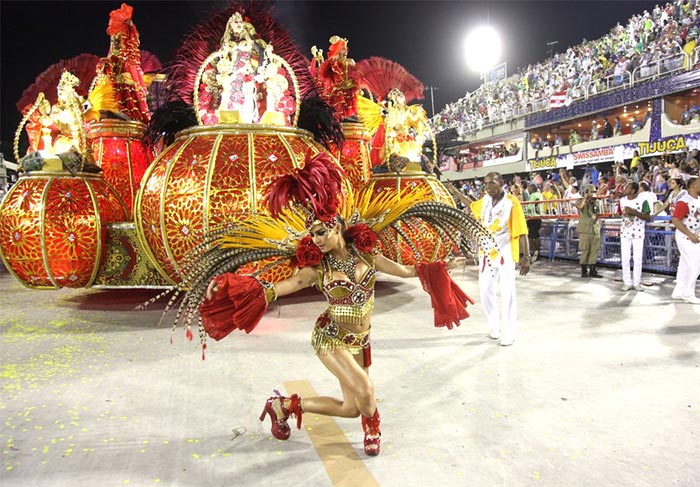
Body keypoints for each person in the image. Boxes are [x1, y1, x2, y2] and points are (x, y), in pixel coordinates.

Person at [169, 152, 495, 458]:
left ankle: (282, 406)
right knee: (367, 390)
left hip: (361, 341)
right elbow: (280, 288)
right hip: (331, 337)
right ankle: (373, 427)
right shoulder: (315, 269)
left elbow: (409, 271)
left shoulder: (368, 255)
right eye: (313, 236)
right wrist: (235, 288)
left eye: (322, 231)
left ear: (336, 226)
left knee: (351, 407)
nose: (318, 240)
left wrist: (438, 266)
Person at [471, 172, 530, 346]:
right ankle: (494, 326)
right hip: (486, 253)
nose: (487, 187)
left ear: (502, 183)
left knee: (507, 292)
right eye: (485, 183)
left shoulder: (512, 202)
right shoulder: (485, 201)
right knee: (485, 290)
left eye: (491, 183)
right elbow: (472, 205)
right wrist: (454, 191)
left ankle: (509, 332)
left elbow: (522, 231)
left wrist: (526, 256)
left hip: (505, 253)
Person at [670, 176, 700, 304]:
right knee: (695, 264)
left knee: (684, 265)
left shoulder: (698, 200)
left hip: (694, 235)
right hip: (685, 236)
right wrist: (690, 234)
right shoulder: (684, 201)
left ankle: (679, 291)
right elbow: (676, 220)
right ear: (693, 186)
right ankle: (688, 293)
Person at [618, 181, 652, 291]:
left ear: (633, 190)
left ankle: (637, 282)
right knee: (625, 258)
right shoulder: (622, 201)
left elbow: (648, 217)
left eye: (627, 187)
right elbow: (619, 213)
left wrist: (634, 212)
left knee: (637, 258)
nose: (624, 188)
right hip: (625, 232)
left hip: (638, 233)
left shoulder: (643, 201)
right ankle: (627, 282)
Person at [576, 185, 602, 278]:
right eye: (591, 192)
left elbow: (600, 213)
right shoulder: (580, 201)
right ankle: (584, 270)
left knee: (594, 251)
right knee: (585, 250)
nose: (593, 194)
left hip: (595, 229)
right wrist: (585, 198)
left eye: (594, 192)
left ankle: (592, 270)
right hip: (585, 230)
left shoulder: (596, 202)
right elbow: (580, 207)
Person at [525, 183, 543, 261]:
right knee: (535, 235)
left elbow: (530, 206)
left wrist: (530, 207)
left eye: (529, 189)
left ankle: (536, 252)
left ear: (532, 188)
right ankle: (537, 252)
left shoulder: (534, 195)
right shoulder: (539, 194)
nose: (528, 190)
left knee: (531, 236)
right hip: (538, 217)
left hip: (533, 217)